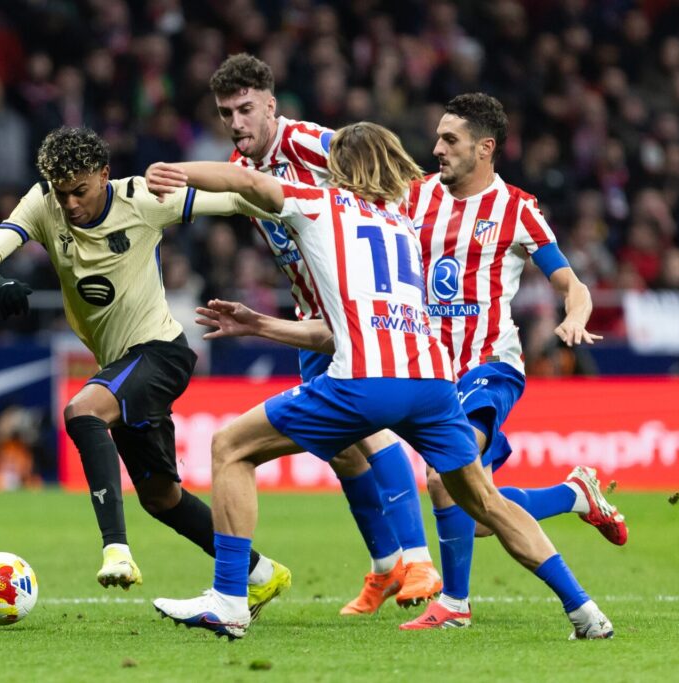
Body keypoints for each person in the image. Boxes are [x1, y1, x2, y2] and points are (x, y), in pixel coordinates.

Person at [147, 122, 613, 640]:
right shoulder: (402, 225)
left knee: (230, 448)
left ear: (338, 167)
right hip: (432, 384)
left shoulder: (321, 202)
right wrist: (260, 325)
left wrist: (177, 171)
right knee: (484, 502)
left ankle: (230, 599)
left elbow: (251, 185)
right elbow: (348, 325)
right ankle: (584, 610)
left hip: (365, 382)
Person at [150, 52, 439, 616]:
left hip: (359, 313)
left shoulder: (311, 143)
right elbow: (224, 190)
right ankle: (385, 568)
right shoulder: (242, 162)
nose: (236, 122)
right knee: (342, 451)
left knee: (369, 429)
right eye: (226, 112)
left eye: (246, 109)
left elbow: (386, 175)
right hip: (312, 315)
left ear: (271, 106)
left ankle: (418, 556)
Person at [0, 126, 291, 617]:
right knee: (162, 498)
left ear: (104, 175)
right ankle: (260, 573)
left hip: (161, 351)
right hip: (121, 365)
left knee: (82, 410)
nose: (70, 204)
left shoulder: (142, 198)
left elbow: (233, 200)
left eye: (80, 191)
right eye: (62, 193)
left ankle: (116, 550)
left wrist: (297, 206)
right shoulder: (42, 203)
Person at [400, 93, 627, 630]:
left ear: (485, 148)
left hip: (490, 366)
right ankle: (574, 494)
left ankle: (455, 605)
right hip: (431, 371)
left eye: (449, 140)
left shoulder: (517, 209)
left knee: (442, 475)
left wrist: (574, 316)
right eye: (436, 138)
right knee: (476, 510)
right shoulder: (413, 199)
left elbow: (572, 284)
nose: (436, 149)